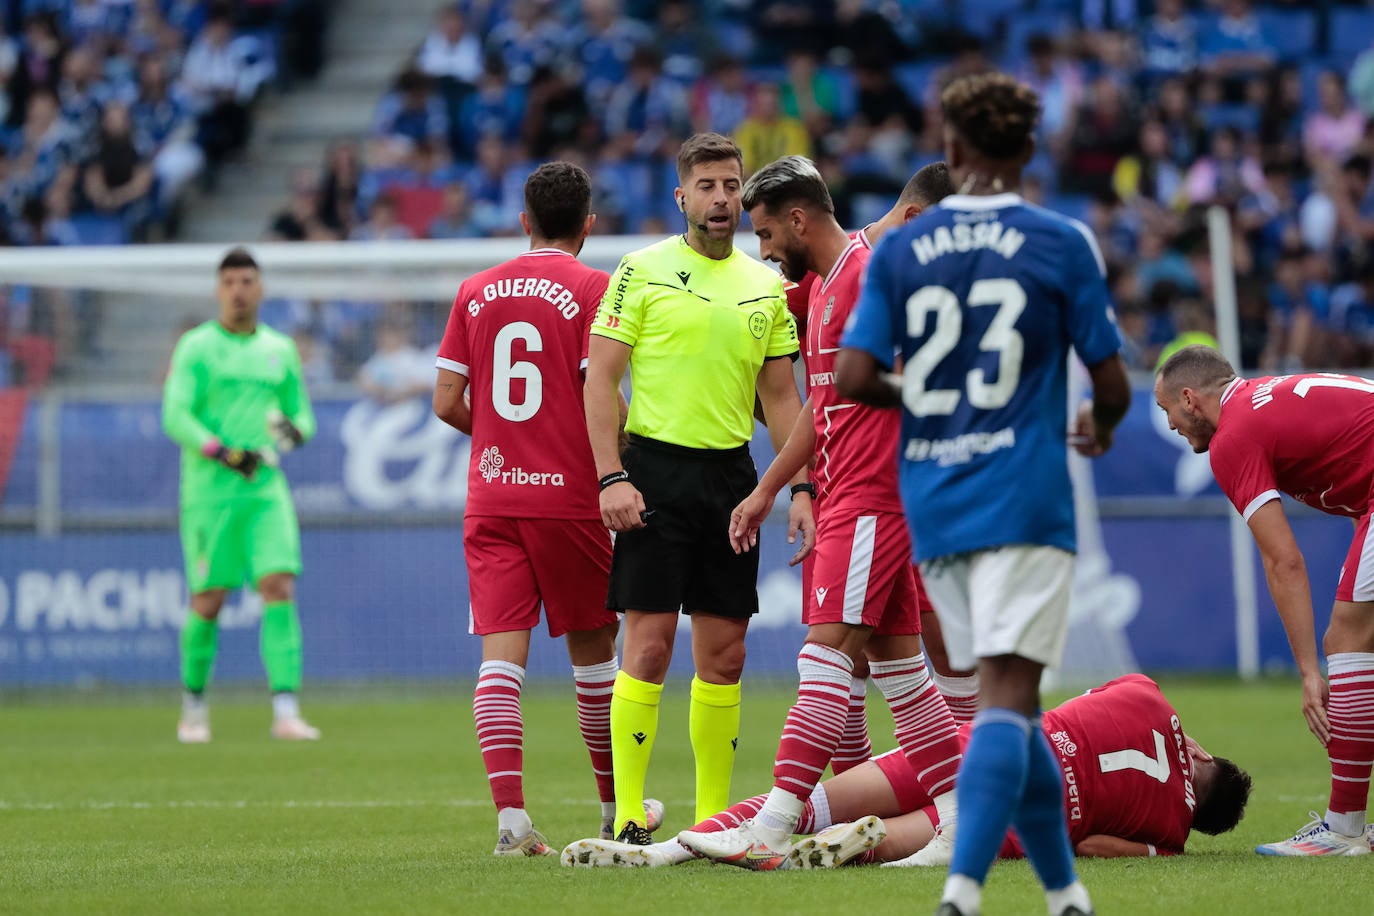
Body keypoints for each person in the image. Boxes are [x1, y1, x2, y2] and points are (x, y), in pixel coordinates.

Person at [834, 72, 1131, 916]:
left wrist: (926, 396)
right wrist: (1102, 422)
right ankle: (960, 891)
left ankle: (1065, 893)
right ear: (1029, 149)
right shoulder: (1059, 241)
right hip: (1025, 498)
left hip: (936, 505)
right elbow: (1109, 381)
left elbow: (855, 375)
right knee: (1006, 698)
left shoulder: (898, 248)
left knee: (1017, 706)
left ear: (952, 148)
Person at [673, 155, 965, 871]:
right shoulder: (833, 284)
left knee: (823, 656)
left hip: (872, 500)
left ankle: (771, 826)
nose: (764, 250)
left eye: (768, 234)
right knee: (902, 672)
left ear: (799, 220)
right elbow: (820, 404)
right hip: (849, 496)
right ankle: (963, 821)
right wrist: (771, 485)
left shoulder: (869, 277)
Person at [581, 132, 808, 847]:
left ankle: (714, 822)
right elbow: (600, 379)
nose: (721, 198)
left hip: (732, 480)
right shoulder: (639, 269)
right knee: (646, 648)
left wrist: (798, 487)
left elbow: (780, 398)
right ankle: (627, 813)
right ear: (681, 197)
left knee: (726, 654)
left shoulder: (766, 284)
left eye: (731, 185)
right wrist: (610, 475)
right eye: (706, 186)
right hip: (652, 473)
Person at [432, 161, 660, 857]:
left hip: (493, 495)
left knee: (501, 662)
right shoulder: (599, 288)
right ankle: (611, 812)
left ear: (523, 220)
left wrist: (504, 440)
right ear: (589, 226)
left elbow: (445, 401)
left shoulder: (475, 290)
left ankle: (511, 823)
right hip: (569, 497)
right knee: (594, 661)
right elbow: (609, 400)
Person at [563, 674, 1251, 868]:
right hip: (1029, 811)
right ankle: (864, 846)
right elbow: (1097, 846)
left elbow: (1077, 705)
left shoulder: (1148, 694)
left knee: (808, 801)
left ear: (1201, 756)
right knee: (913, 838)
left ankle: (659, 853)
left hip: (986, 745)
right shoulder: (1169, 836)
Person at [1154, 346, 1374, 856]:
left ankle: (1343, 831)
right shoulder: (1264, 401)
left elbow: (1284, 561)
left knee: (1345, 638)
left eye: (1167, 410)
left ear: (1190, 399)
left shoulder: (1233, 437)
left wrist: (1307, 672)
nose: (1169, 425)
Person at [162, 247, 320, 743]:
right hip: (211, 493)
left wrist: (292, 434)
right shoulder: (196, 346)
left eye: (247, 280)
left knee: (279, 588)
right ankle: (193, 706)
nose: (238, 289)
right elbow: (175, 415)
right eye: (230, 281)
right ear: (218, 289)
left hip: (266, 491)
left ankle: (287, 711)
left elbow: (303, 417)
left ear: (261, 289)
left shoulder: (279, 348)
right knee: (208, 600)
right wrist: (222, 452)